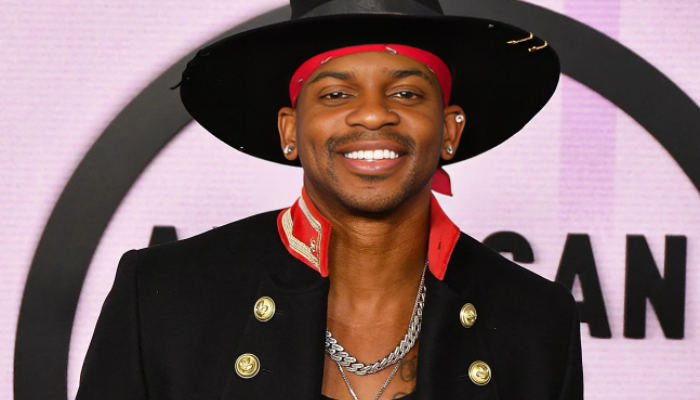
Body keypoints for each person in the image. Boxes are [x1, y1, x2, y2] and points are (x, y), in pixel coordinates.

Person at [77, 0, 583, 399]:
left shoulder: (538, 320)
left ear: (450, 131)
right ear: (289, 131)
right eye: (336, 94)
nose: (373, 114)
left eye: (407, 93)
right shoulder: (162, 295)